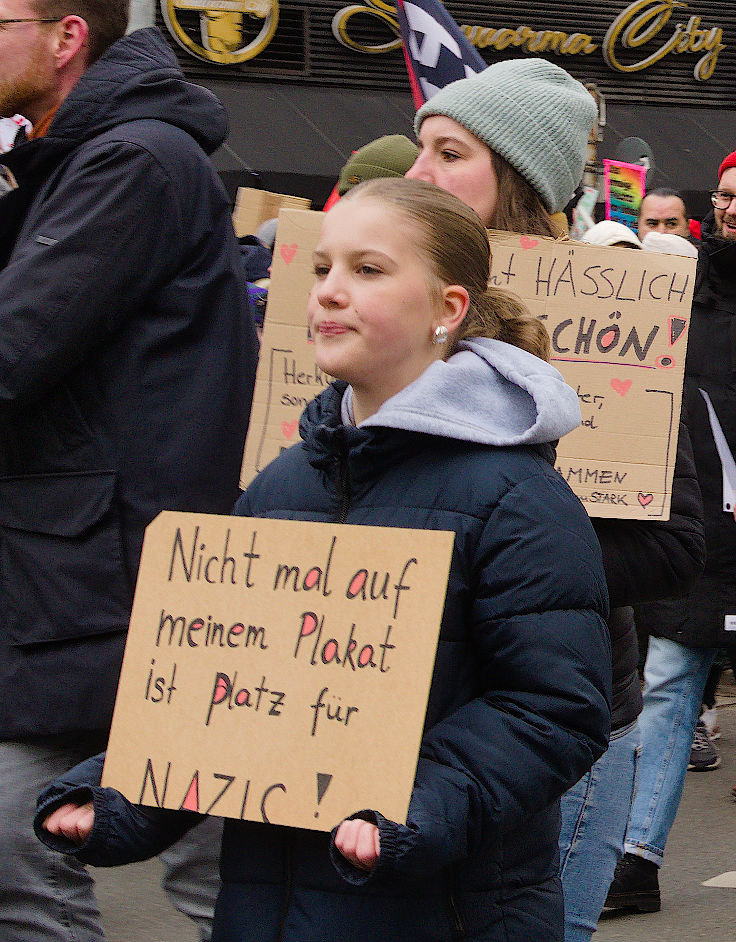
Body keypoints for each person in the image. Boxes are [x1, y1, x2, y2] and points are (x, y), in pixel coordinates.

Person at [36, 177, 612, 942]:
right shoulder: (279, 484)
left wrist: (414, 801)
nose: (331, 293)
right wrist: (117, 794)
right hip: (266, 908)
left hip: (442, 913)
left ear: (448, 310)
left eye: (368, 270)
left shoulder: (518, 497)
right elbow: (224, 694)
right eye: (323, 269)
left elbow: (553, 708)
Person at [406, 58, 705, 941]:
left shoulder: (618, 321)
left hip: (559, 721)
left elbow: (671, 546)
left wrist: (479, 553)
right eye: (419, 148)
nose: (418, 174)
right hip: (395, 707)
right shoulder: (386, 309)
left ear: (519, 181)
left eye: (448, 152)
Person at [0, 4, 258, 941]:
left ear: (66, 37)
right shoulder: (76, 159)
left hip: (112, 576)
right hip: (85, 575)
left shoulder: (130, 162)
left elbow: (13, 347)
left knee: (219, 878)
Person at [606, 149, 736, 913]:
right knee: (669, 687)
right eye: (723, 196)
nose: (731, 209)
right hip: (706, 534)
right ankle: (634, 861)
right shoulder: (682, 297)